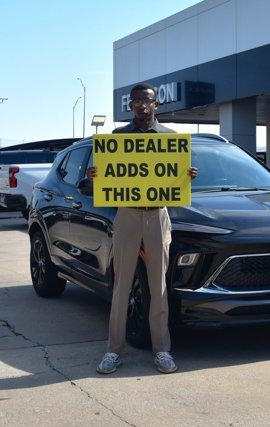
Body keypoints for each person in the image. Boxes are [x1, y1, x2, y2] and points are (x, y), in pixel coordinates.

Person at [95, 83, 197, 375]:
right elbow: (106, 179)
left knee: (158, 285)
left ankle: (162, 350)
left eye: (148, 101)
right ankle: (113, 350)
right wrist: (97, 175)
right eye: (137, 101)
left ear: (156, 105)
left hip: (158, 214)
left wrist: (187, 176)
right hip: (127, 215)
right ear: (131, 106)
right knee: (122, 284)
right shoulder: (118, 138)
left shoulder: (170, 139)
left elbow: (177, 181)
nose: (142, 105)